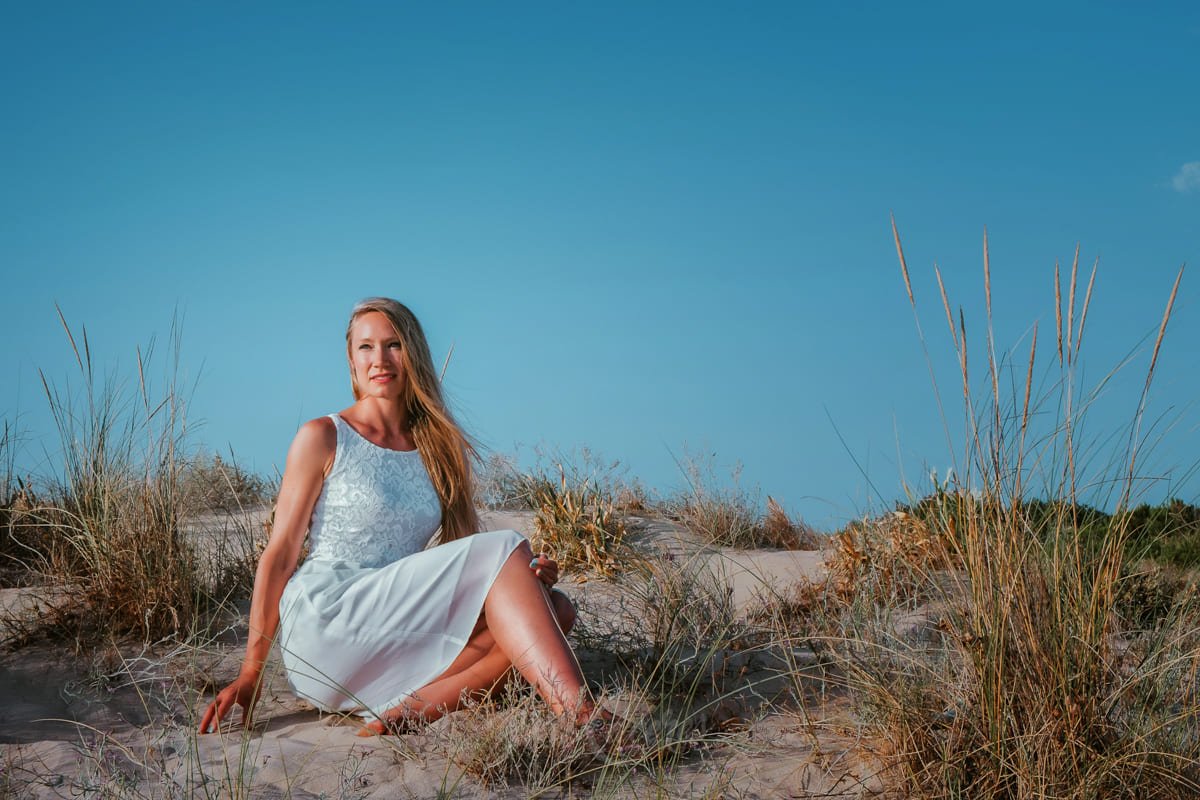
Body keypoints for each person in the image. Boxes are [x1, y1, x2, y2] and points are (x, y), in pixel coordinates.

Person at [199, 297, 597, 737]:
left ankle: (407, 710)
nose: (380, 359)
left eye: (393, 345)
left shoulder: (440, 448)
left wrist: (527, 579)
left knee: (555, 609)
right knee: (507, 548)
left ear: (414, 354)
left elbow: (465, 560)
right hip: (328, 619)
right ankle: (582, 717)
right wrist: (251, 671)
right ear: (350, 360)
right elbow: (280, 554)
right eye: (366, 347)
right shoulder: (324, 436)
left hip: (394, 628)